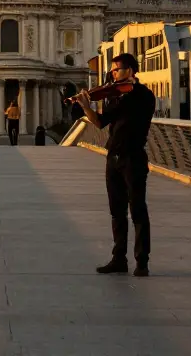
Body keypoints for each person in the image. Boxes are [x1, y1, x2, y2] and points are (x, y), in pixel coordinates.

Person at [73, 53, 156, 277]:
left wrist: (100, 100)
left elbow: (109, 117)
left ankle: (142, 261)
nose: (113, 74)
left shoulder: (142, 95)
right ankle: (119, 259)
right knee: (116, 211)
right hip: (114, 157)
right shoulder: (116, 95)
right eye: (112, 71)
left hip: (133, 157)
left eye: (116, 70)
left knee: (138, 209)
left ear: (130, 70)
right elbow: (101, 122)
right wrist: (87, 106)